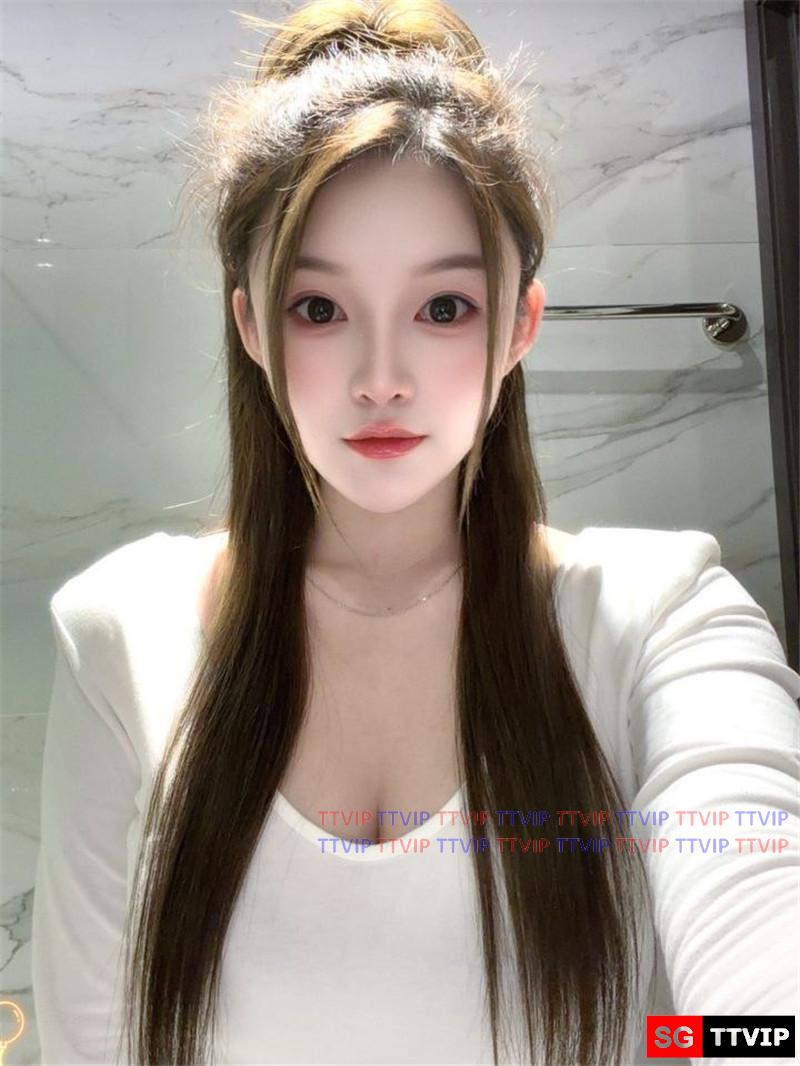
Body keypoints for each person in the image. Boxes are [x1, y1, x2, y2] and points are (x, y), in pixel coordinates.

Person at [31, 2, 800, 1064]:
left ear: (519, 323)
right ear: (248, 323)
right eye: (318, 308)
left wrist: (699, 1043)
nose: (381, 378)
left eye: (443, 308)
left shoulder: (660, 620)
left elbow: (764, 991)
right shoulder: (121, 633)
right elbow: (91, 1044)